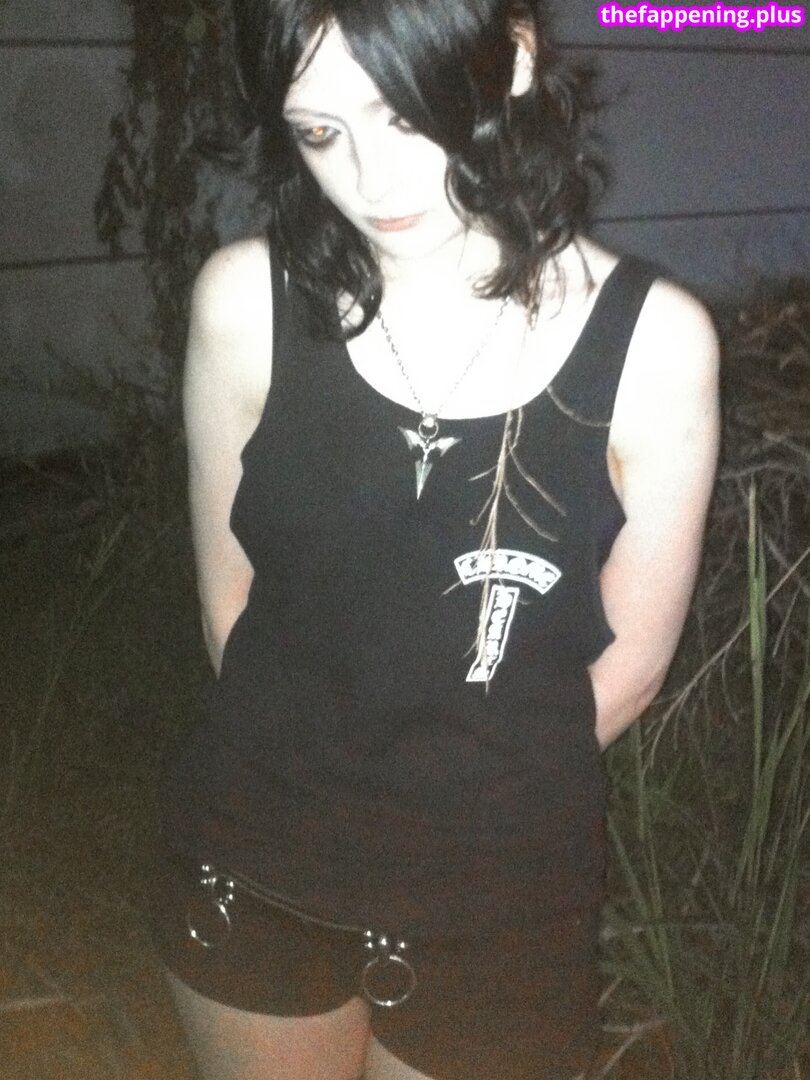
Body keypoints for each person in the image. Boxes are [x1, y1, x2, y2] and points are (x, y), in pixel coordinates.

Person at [153, 1, 720, 1078]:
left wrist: (446, 820)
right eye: (319, 132)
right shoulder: (243, 306)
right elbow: (230, 608)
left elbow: (633, 665)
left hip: (500, 893)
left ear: (512, 61)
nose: (370, 179)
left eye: (403, 116)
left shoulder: (655, 345)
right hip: (256, 864)